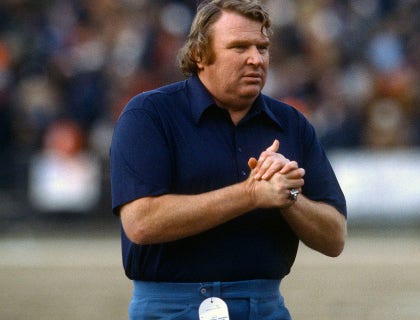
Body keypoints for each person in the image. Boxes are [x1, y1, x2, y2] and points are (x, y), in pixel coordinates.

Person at [109, 1, 347, 319]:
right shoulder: (150, 115)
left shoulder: (291, 123)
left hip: (264, 307)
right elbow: (141, 222)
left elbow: (335, 238)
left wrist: (288, 196)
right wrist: (251, 193)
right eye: (239, 47)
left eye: (262, 47)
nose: (256, 58)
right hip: (169, 308)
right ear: (199, 54)